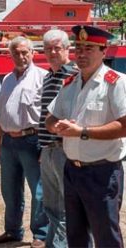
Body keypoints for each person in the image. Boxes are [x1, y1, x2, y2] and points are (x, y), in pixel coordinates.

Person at [46, 25, 125, 247]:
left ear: (104, 50)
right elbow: (50, 118)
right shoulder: (70, 83)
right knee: (76, 235)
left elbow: (124, 125)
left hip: (102, 172)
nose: (81, 54)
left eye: (89, 48)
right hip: (73, 170)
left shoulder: (116, 82)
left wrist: (82, 132)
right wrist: (56, 127)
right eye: (78, 48)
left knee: (106, 236)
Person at [0, 36, 48, 247]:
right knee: (10, 190)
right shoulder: (6, 79)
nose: (21, 56)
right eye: (16, 53)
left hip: (32, 140)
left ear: (33, 53)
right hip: (8, 142)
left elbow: (48, 115)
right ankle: (13, 230)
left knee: (38, 191)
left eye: (25, 52)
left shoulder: (43, 77)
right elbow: (1, 115)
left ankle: (40, 234)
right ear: (10, 55)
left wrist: (46, 145)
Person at [38, 30, 78, 247]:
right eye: (48, 48)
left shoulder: (75, 74)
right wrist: (42, 148)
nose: (52, 52)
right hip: (48, 150)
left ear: (67, 49)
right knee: (51, 206)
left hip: (66, 149)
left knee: (68, 207)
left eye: (57, 48)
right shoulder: (48, 76)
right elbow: (44, 115)